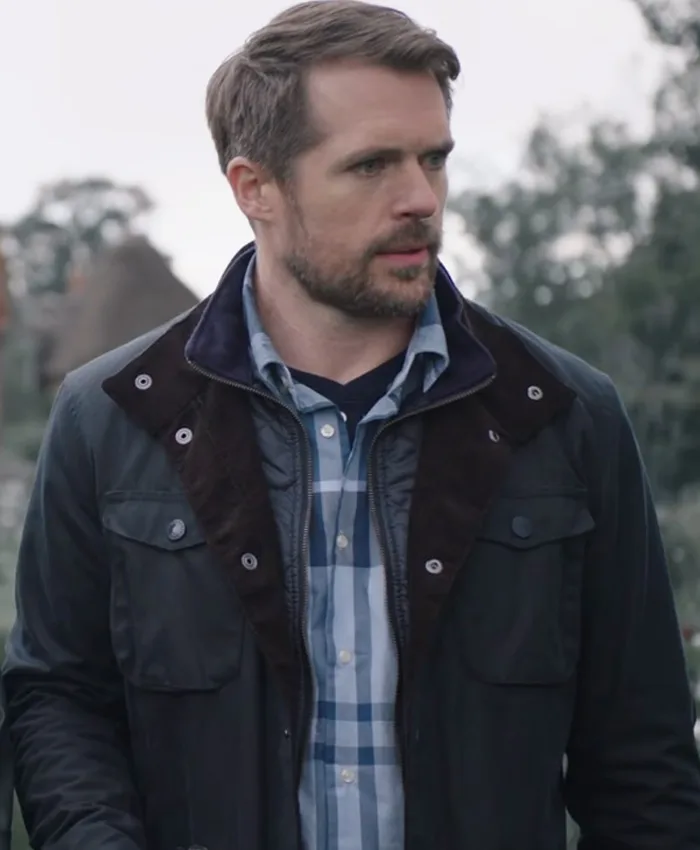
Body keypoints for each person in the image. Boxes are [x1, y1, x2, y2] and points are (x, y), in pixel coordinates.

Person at [4, 1, 700, 848]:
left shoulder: (562, 415)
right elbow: (60, 700)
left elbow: (644, 761)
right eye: (371, 165)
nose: (421, 199)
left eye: (433, 158)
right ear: (255, 188)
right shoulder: (113, 417)